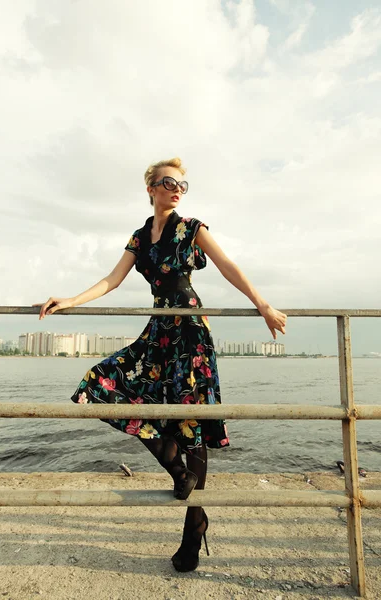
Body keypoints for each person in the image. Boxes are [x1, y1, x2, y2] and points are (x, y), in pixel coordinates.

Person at [35, 157, 287, 572]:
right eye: (169, 183)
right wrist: (69, 300)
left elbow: (227, 266)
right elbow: (111, 280)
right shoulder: (139, 237)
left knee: (191, 424)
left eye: (183, 185)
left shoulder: (192, 227)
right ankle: (177, 473)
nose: (177, 190)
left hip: (189, 330)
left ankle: (194, 528)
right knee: (100, 383)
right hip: (158, 331)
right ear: (150, 187)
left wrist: (263, 305)